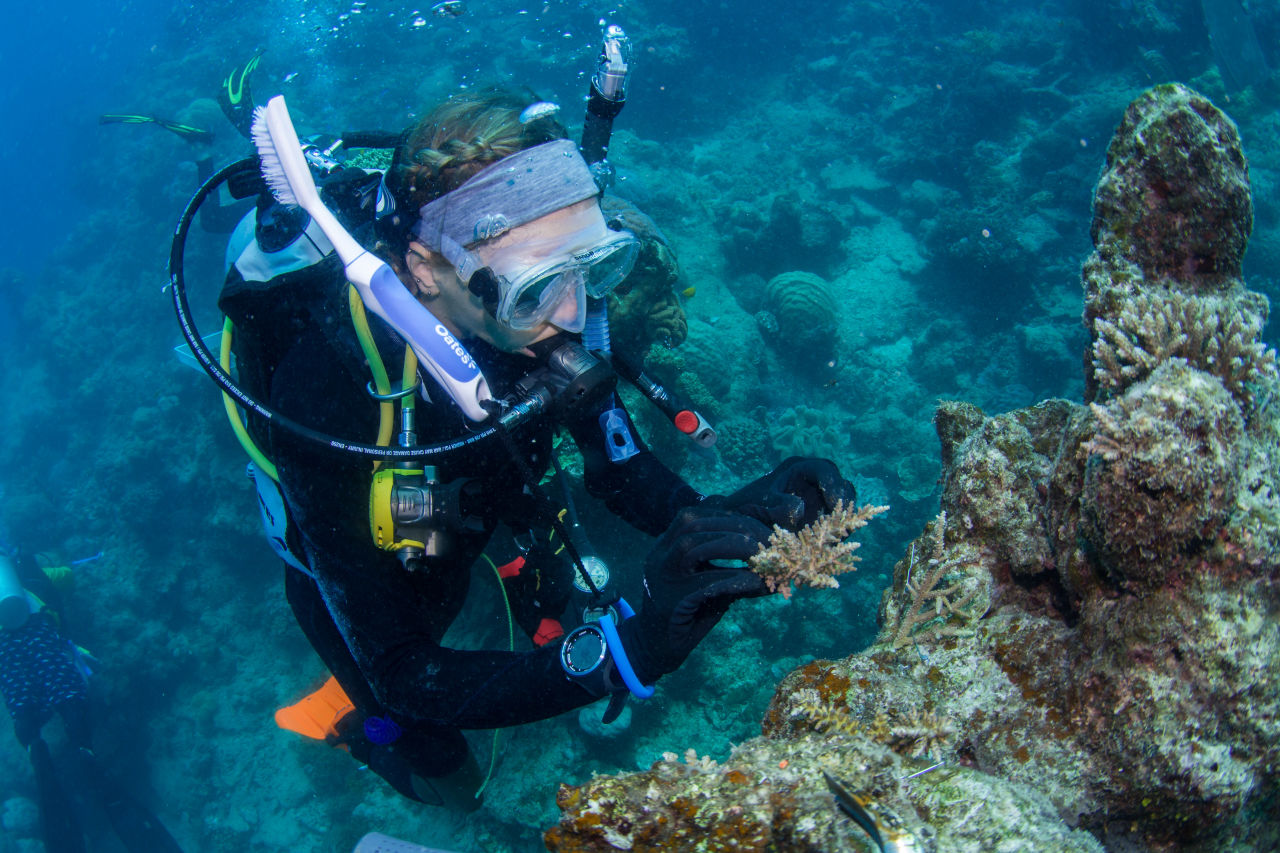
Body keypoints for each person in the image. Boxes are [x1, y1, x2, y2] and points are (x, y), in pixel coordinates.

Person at [211, 83, 854, 809]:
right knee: (446, 774)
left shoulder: (553, 306)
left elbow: (622, 473)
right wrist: (622, 655)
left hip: (480, 494)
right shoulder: (327, 384)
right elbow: (403, 666)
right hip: (366, 555)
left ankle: (507, 562)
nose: (575, 312)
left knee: (523, 564)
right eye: (538, 289)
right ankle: (358, 734)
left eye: (592, 269)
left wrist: (740, 513)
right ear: (424, 271)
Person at [0, 546, 183, 853]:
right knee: (68, 695)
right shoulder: (25, 571)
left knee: (24, 707)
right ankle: (84, 750)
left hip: (5, 646)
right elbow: (67, 577)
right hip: (40, 630)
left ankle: (35, 748)